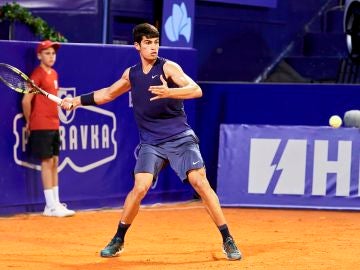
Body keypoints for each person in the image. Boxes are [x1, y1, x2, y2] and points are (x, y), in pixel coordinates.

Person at [62, 23, 241, 260]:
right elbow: (107, 93)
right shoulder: (131, 74)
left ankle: (227, 238)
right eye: (147, 43)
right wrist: (76, 101)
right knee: (140, 187)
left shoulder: (168, 67)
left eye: (156, 42)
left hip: (180, 137)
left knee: (199, 182)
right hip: (151, 143)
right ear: (137, 46)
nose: (153, 47)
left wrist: (171, 92)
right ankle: (118, 239)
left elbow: (195, 90)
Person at [22, 40, 75, 217]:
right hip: (41, 124)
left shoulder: (54, 73)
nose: (51, 56)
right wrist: (30, 122)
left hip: (54, 124)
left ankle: (56, 203)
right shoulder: (36, 75)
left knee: (54, 162)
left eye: (53, 53)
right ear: (39, 56)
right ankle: (50, 206)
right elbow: (26, 101)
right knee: (46, 163)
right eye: (47, 53)